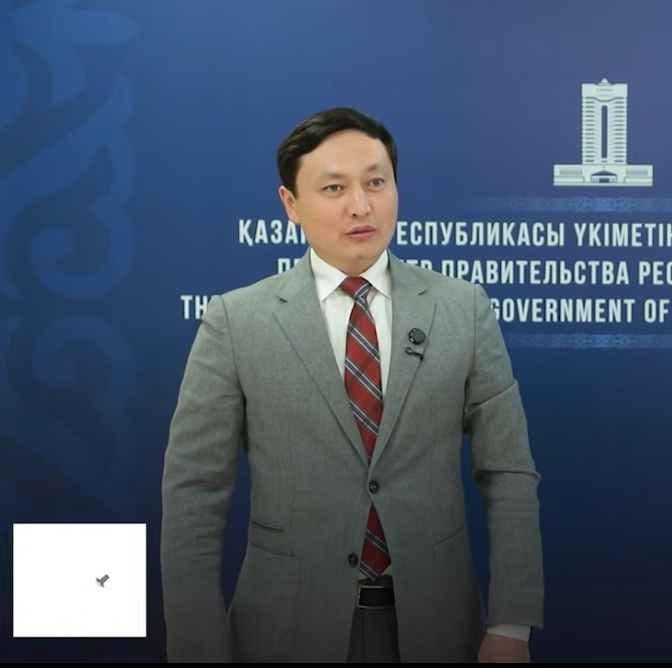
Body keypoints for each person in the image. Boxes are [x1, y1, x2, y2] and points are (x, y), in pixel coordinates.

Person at [160, 107, 544, 663]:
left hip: (437, 627)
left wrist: (511, 624)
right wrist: (198, 651)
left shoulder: (462, 308)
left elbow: (508, 471)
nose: (360, 206)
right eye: (334, 188)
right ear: (291, 204)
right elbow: (193, 494)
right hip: (284, 631)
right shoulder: (237, 322)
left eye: (376, 183)